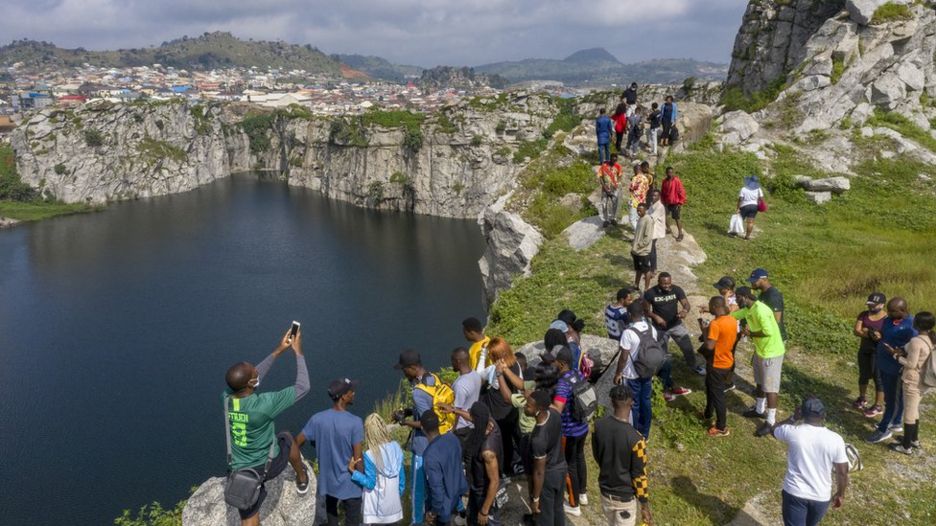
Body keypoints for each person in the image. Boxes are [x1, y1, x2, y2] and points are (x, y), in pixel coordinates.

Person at [223, 328, 311, 526]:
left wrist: (278, 351)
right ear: (252, 383)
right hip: (266, 468)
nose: (257, 371)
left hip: (239, 470)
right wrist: (298, 352)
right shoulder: (264, 405)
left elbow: (249, 380)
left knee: (248, 516)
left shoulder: (227, 399)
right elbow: (303, 387)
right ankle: (302, 477)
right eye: (255, 373)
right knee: (287, 436)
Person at [297, 377, 364, 526]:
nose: (354, 393)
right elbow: (358, 459)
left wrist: (301, 464)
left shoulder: (317, 419)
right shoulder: (355, 422)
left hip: (328, 484)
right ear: (344, 396)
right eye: (351, 391)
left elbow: (296, 443)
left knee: (332, 520)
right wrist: (366, 481)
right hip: (351, 484)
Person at [771, 397, 849, 526]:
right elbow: (842, 472)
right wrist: (840, 494)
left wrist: (793, 418)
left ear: (802, 413)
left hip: (794, 493)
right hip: (821, 497)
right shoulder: (836, 439)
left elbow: (773, 429)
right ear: (824, 415)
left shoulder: (792, 432)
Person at [395, 349, 446, 523]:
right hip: (440, 441)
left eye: (404, 370)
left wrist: (405, 422)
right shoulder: (433, 378)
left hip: (423, 444)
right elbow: (432, 408)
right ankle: (434, 514)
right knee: (434, 482)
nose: (403, 373)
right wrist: (410, 411)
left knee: (417, 489)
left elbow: (426, 423)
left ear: (412, 368)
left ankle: (416, 521)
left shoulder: (418, 392)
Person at [592, 384, 653, 526]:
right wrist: (644, 505)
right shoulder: (637, 439)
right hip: (624, 501)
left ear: (612, 402)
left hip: (605, 493)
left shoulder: (598, 426)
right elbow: (639, 476)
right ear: (632, 402)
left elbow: (597, 456)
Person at [732, 286, 786, 437]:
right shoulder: (749, 309)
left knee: (771, 388)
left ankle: (771, 421)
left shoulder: (761, 310)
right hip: (761, 351)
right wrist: (712, 311)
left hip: (772, 353)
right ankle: (759, 410)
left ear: (744, 296)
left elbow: (767, 332)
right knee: (760, 382)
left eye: (737, 298)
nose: (736, 301)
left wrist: (750, 334)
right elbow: (733, 315)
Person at [867, 298, 917, 444]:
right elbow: (885, 333)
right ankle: (895, 422)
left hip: (896, 367)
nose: (888, 313)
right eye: (888, 310)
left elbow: (914, 349)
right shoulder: (889, 320)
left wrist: (898, 351)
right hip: (883, 363)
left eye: (892, 311)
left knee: (891, 400)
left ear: (903, 310)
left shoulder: (911, 325)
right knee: (895, 396)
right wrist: (878, 335)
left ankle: (884, 429)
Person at [889, 312, 935, 454]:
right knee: (914, 409)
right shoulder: (931, 339)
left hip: (913, 380)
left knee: (909, 412)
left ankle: (906, 446)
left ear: (917, 324)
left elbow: (911, 364)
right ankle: (913, 439)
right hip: (924, 381)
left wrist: (895, 356)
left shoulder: (916, 342)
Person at [551, 346, 589, 516]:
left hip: (570, 432)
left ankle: (574, 505)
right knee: (580, 458)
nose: (552, 363)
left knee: (570, 465)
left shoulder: (562, 384)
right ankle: (582, 493)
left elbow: (557, 408)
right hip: (583, 426)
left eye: (554, 361)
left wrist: (543, 404)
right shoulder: (578, 374)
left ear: (561, 363)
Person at [644, 272, 706, 376]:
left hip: (676, 325)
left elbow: (686, 304)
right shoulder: (650, 293)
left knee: (688, 348)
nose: (667, 286)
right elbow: (645, 310)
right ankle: (662, 373)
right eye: (664, 284)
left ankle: (694, 366)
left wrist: (684, 311)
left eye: (669, 283)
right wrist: (655, 316)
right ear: (659, 282)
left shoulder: (677, 289)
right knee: (662, 353)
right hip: (659, 328)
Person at [477, 338, 523, 477]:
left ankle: (504, 470)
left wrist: (483, 354)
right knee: (512, 439)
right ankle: (516, 465)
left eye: (491, 355)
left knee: (502, 444)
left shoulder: (494, 369)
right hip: (512, 411)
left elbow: (479, 375)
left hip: (497, 414)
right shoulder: (516, 364)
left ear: (496, 357)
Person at [351, 413, 406, 524]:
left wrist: (354, 472)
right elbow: (402, 482)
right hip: (394, 508)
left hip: (377, 511)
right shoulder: (396, 448)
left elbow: (370, 483)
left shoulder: (370, 454)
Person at [613, 302, 658, 438]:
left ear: (629, 314)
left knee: (634, 404)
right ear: (643, 314)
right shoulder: (651, 328)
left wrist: (618, 372)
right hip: (648, 371)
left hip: (631, 374)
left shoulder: (628, 333)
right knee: (646, 401)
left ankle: (634, 432)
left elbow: (624, 356)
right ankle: (645, 433)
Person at [526, 390, 567, 526]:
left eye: (529, 406)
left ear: (539, 410)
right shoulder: (555, 414)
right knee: (558, 508)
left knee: (545, 515)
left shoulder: (538, 438)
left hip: (549, 475)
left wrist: (535, 498)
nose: (525, 407)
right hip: (561, 468)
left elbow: (539, 472)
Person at [699, 296, 738, 437]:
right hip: (727, 360)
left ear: (715, 306)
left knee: (718, 396)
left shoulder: (716, 324)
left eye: (710, 306)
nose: (709, 308)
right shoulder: (732, 320)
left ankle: (721, 427)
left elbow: (709, 346)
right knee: (710, 387)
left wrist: (704, 331)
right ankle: (708, 413)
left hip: (717, 364)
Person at [422, 411, 469, 526]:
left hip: (444, 510)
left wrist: (433, 513)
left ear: (423, 429)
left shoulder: (430, 456)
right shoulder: (452, 438)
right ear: (438, 424)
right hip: (457, 495)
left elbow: (437, 490)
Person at [464, 402, 503, 526]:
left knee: (487, 522)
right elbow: (471, 416)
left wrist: (485, 510)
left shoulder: (487, 452)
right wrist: (454, 410)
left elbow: (495, 481)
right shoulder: (490, 422)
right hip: (476, 488)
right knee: (471, 520)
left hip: (484, 494)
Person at [853, 293, 887, 416]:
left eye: (874, 305)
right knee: (863, 374)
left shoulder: (886, 319)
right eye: (869, 305)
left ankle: (878, 405)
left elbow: (885, 336)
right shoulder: (863, 314)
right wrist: (868, 334)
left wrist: (874, 334)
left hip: (878, 352)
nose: (871, 307)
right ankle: (862, 398)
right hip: (864, 349)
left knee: (878, 377)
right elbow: (856, 330)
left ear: (882, 305)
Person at [451, 347, 483, 442]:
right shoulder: (475, 375)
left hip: (461, 429)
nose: (452, 364)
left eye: (452, 361)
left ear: (458, 361)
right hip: (472, 423)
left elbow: (457, 411)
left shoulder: (460, 385)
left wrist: (452, 431)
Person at [749, 268, 788, 341]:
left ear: (764, 279)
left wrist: (758, 333)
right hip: (767, 336)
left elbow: (776, 320)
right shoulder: (763, 294)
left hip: (776, 338)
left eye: (754, 280)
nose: (752, 283)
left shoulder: (773, 295)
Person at [631, 203, 654, 291]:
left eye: (640, 211)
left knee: (646, 270)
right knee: (638, 269)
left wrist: (638, 245)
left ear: (645, 210)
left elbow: (647, 238)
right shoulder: (640, 218)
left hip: (643, 251)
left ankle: (646, 289)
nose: (638, 212)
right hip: (636, 250)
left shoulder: (648, 220)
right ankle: (636, 285)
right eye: (637, 211)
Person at [659, 167, 686, 241]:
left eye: (671, 172)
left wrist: (680, 203)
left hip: (675, 203)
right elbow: (663, 192)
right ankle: (668, 229)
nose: (670, 174)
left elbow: (681, 191)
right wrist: (663, 201)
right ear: (666, 173)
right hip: (667, 202)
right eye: (669, 172)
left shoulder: (676, 180)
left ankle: (680, 233)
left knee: (677, 218)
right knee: (664, 216)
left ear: (673, 172)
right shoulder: (664, 181)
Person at [737, 175, 765, 241]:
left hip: (744, 206)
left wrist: (738, 208)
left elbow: (740, 199)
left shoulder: (743, 189)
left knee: (740, 220)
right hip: (754, 206)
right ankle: (747, 237)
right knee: (750, 222)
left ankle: (735, 232)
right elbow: (761, 198)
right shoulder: (758, 189)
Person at [646, 189, 666, 277]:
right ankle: (653, 268)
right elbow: (647, 213)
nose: (653, 197)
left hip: (655, 230)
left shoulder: (660, 207)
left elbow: (651, 217)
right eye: (652, 195)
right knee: (652, 249)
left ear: (659, 196)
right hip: (652, 229)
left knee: (651, 250)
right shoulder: (653, 204)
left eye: (655, 196)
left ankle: (653, 269)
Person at [597, 157, 621, 228]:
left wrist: (617, 183)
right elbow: (600, 177)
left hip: (614, 188)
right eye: (613, 160)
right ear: (610, 159)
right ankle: (606, 220)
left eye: (616, 160)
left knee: (615, 203)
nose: (614, 162)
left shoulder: (618, 166)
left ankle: (613, 218)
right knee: (604, 204)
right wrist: (604, 186)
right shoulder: (604, 166)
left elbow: (620, 175)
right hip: (605, 188)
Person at [627, 164, 651, 230]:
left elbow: (631, 188)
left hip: (634, 201)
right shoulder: (646, 179)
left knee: (632, 220)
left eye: (634, 170)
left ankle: (638, 234)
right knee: (638, 219)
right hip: (642, 202)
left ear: (636, 170)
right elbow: (647, 189)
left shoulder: (635, 178)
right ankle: (640, 232)